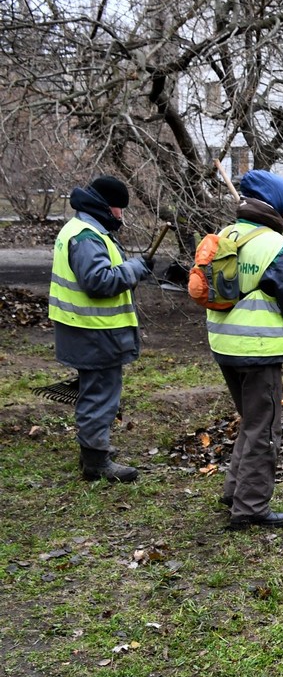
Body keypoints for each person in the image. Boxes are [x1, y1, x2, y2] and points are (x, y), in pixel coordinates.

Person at [207, 169, 283, 526]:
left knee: (252, 422)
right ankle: (250, 508)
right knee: (264, 429)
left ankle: (234, 492)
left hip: (224, 345)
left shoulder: (225, 235)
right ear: (275, 204)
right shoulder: (274, 246)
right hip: (256, 351)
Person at [48, 175, 154, 482]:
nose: (121, 216)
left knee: (94, 391)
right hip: (94, 332)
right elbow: (99, 281)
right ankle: (96, 461)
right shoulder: (87, 237)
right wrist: (133, 268)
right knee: (100, 394)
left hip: (83, 329)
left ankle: (94, 449)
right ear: (108, 208)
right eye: (120, 209)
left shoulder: (80, 229)